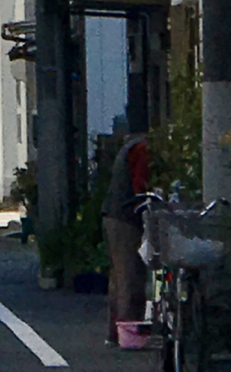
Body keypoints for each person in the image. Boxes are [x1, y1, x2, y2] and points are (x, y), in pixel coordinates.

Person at [102, 129, 150, 344]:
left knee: (119, 278)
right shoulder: (142, 149)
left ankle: (116, 332)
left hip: (114, 214)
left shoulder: (132, 145)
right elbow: (141, 186)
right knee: (131, 277)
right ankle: (129, 334)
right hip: (127, 216)